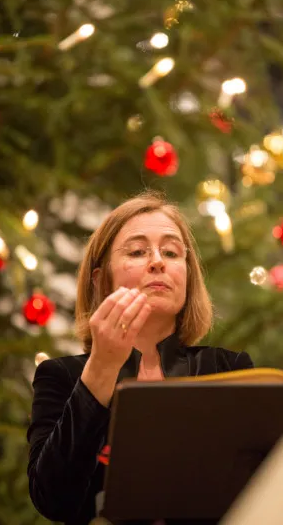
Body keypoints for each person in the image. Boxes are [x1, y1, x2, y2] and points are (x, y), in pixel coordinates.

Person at [27, 190, 254, 525]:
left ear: (187, 276)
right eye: (136, 251)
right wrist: (102, 368)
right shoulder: (60, 376)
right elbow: (53, 500)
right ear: (101, 281)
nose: (158, 261)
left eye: (171, 252)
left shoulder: (229, 369)